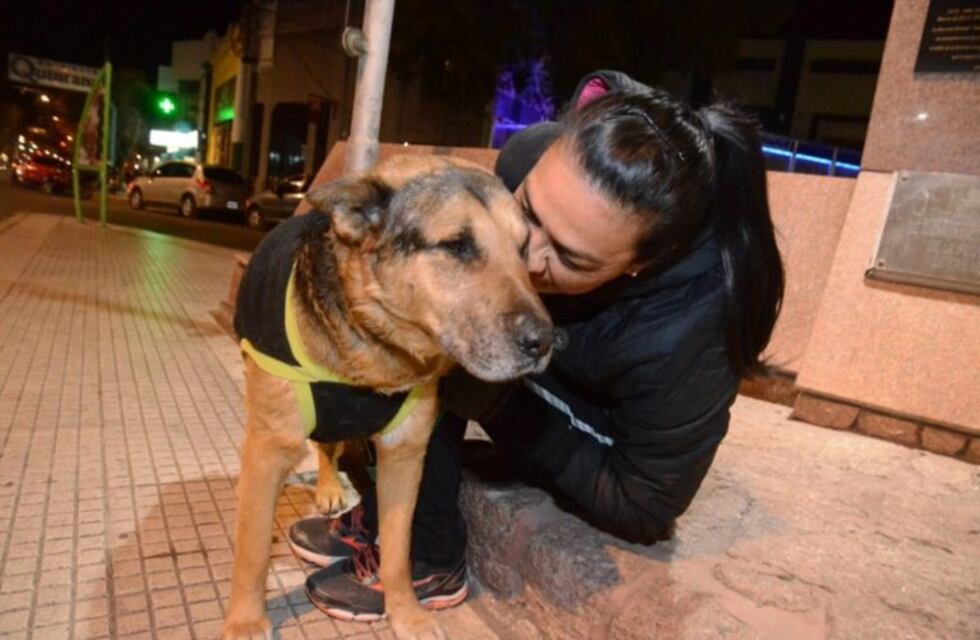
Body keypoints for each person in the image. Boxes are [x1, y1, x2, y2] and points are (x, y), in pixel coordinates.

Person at [288, 70, 784, 620]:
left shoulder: (690, 329)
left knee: (457, 361)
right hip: (554, 351)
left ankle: (429, 559)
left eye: (569, 258)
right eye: (526, 216)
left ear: (640, 266)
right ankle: (387, 516)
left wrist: (500, 402)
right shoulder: (525, 160)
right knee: (428, 326)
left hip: (605, 436)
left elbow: (646, 503)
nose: (522, 257)